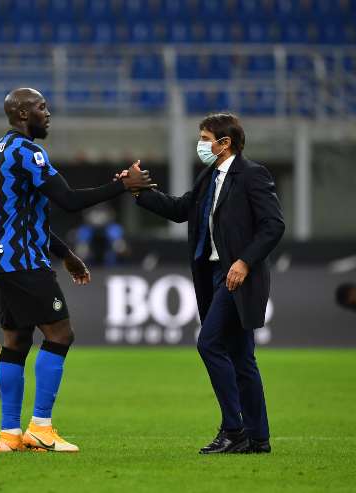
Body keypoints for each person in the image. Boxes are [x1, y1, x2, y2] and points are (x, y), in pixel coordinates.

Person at [0, 87, 153, 453]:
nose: (47, 113)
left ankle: (9, 434)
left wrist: (64, 253)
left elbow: (23, 216)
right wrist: (122, 185)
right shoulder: (29, 152)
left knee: (15, 343)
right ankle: (41, 427)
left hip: (1, 259)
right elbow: (70, 200)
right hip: (26, 261)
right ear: (20, 114)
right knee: (60, 334)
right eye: (40, 107)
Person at [133, 113, 284, 454]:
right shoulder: (209, 176)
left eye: (205, 138)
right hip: (215, 275)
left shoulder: (252, 175)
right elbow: (181, 209)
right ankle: (258, 438)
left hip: (237, 276)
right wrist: (140, 191)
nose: (201, 144)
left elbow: (273, 226)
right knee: (242, 357)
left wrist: (244, 261)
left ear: (225, 142)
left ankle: (234, 429)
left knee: (210, 344)